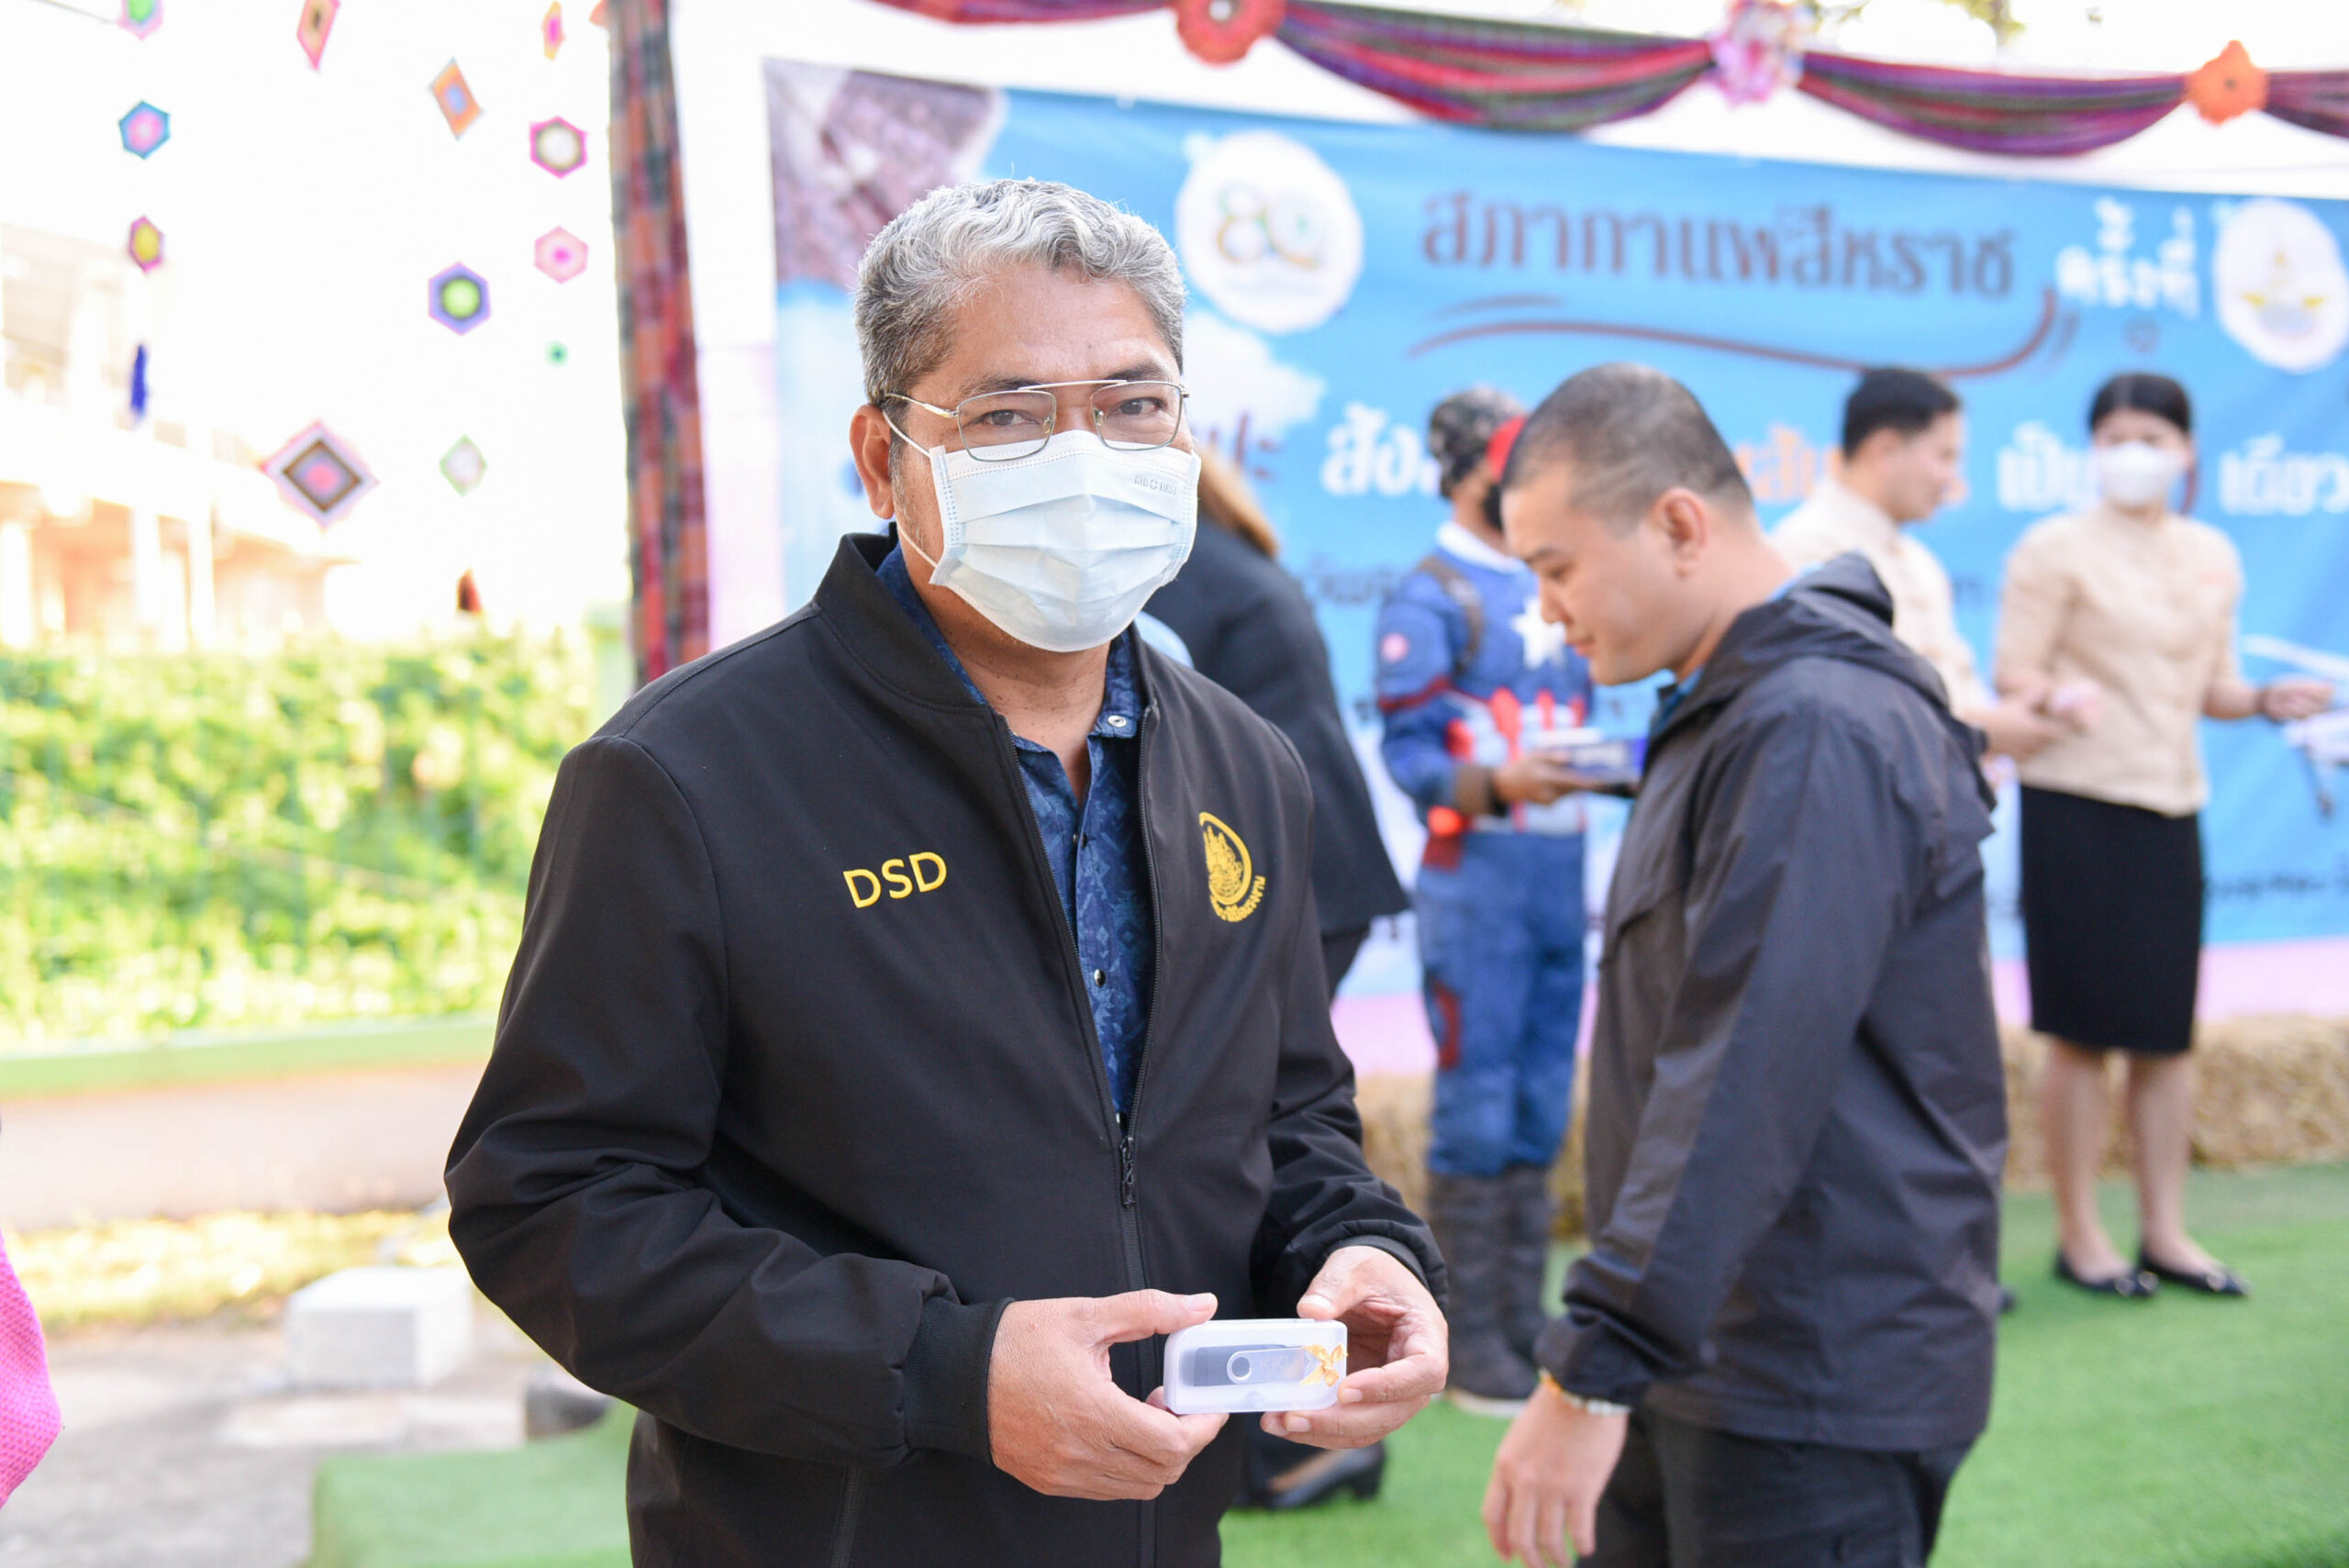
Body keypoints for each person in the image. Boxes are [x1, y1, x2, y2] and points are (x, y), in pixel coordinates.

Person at [444, 179, 1448, 1566]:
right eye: (1008, 415)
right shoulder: (686, 777)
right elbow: (553, 1201)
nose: (1084, 457)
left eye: (1132, 404)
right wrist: (941, 1372)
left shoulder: (1244, 764)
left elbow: (1288, 1119)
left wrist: (1366, 1249)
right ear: (883, 456)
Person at [1483, 362, 2008, 1568]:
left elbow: (1742, 1073)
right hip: (1709, 1350)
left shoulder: (1813, 722)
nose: (1547, 613)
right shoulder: (1736, 704)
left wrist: (1594, 1366)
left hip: (1806, 1373)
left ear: (1678, 524)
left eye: (1557, 568)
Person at [1995, 371, 2333, 1300]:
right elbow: (2013, 673)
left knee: (2165, 1033)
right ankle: (2080, 1234)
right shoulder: (2053, 547)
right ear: (2091, 448)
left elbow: (2211, 686)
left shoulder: (2211, 552)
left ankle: (2167, 1231)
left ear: (2186, 449)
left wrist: (2263, 698)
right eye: (2114, 437)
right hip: (2075, 799)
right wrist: (2053, 695)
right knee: (2078, 1033)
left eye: (2150, 436)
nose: (2132, 453)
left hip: (2171, 802)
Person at [1146, 448, 1414, 1514]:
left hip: (1274, 878)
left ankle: (1286, 1432)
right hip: (1310, 865)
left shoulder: (1179, 576)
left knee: (1237, 1136)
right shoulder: (1232, 556)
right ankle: (1291, 1424)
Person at [1374, 387, 1597, 1414]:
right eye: (1513, 464)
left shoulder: (1562, 576)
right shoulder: (1432, 595)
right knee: (1478, 1102)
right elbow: (1408, 751)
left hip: (1561, 877)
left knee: (1545, 1097)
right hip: (1477, 880)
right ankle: (1465, 1341)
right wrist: (1497, 783)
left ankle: (1523, 1316)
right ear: (1467, 473)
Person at [1773, 366, 2059, 761]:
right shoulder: (1810, 548)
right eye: (1945, 456)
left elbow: (1959, 688)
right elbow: (1841, 707)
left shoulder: (1921, 563)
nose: (1952, 478)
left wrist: (2024, 711)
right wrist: (1981, 732)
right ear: (1885, 451)